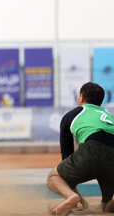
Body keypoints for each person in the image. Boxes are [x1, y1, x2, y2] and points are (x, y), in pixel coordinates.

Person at [47, 82, 114, 216]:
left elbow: (66, 154)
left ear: (82, 97)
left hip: (93, 147)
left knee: (53, 178)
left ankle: (71, 197)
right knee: (106, 207)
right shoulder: (108, 115)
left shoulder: (72, 114)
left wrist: (72, 189)